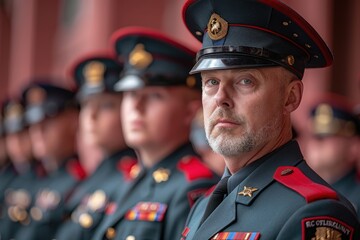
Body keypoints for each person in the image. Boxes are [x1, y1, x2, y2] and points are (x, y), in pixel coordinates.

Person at [180, 0, 360, 239]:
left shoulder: (314, 214)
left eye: (245, 81)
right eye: (212, 82)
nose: (221, 99)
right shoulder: (203, 204)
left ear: (290, 97)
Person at [92, 26, 220, 240]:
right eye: (131, 94)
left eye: (154, 96)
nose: (136, 107)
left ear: (190, 110)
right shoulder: (129, 179)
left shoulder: (194, 189)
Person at [54, 52, 138, 240]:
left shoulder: (131, 178)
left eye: (106, 105)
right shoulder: (98, 172)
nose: (91, 116)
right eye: (86, 104)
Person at [14, 82, 86, 240]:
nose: (38, 129)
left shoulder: (80, 180)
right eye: (33, 122)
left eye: (48, 120)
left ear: (73, 119)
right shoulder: (38, 179)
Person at [304, 93, 360, 219]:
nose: (316, 142)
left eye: (326, 136)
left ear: (353, 146)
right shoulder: (297, 192)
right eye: (313, 135)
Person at [0, 98, 44, 240]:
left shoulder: (43, 176)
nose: (16, 143)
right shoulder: (10, 178)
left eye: (22, 134)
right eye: (11, 136)